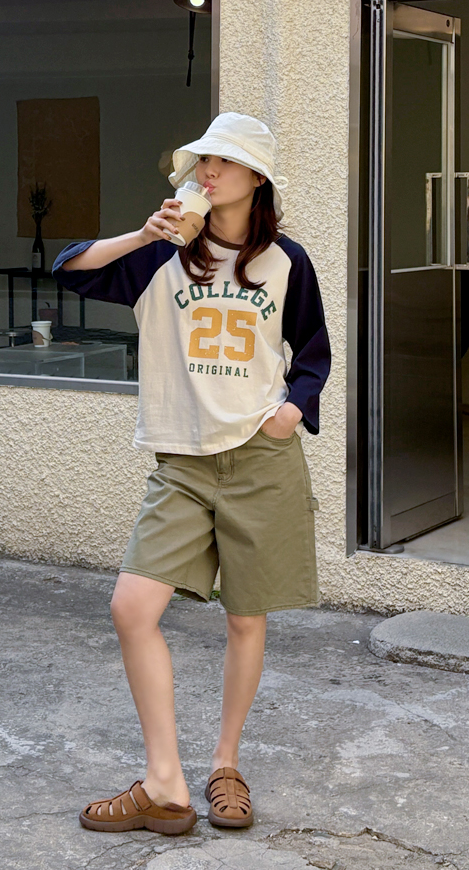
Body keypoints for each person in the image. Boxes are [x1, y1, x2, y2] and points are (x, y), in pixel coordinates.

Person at [53, 112, 330, 836]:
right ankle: (165, 784)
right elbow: (70, 269)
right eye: (204, 159)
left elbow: (313, 353)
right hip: (181, 462)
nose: (209, 171)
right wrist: (144, 235)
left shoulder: (288, 262)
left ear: (256, 179)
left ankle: (224, 766)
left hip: (260, 458)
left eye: (225, 162)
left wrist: (292, 412)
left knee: (245, 616)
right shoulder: (162, 255)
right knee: (132, 608)